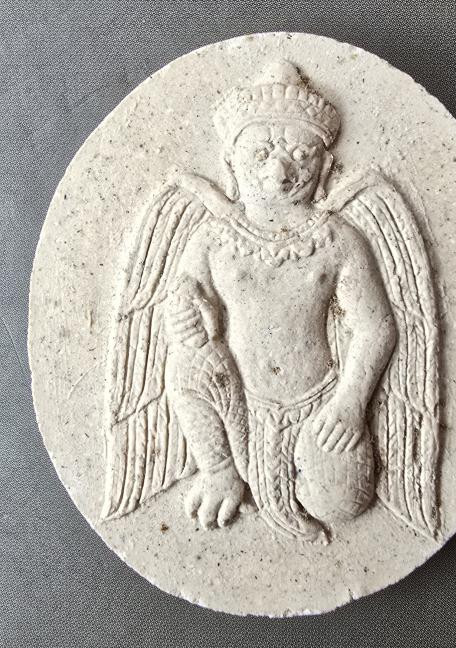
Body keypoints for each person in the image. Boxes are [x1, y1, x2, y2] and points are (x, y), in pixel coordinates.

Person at [163, 60, 396, 541]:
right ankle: (220, 469)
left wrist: (350, 403)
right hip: (235, 403)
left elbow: (375, 326)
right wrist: (186, 312)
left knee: (343, 504)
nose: (279, 171)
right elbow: (182, 301)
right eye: (261, 153)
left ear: (325, 167)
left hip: (319, 403)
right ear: (230, 163)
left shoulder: (338, 239)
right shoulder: (212, 239)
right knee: (187, 365)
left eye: (300, 154)